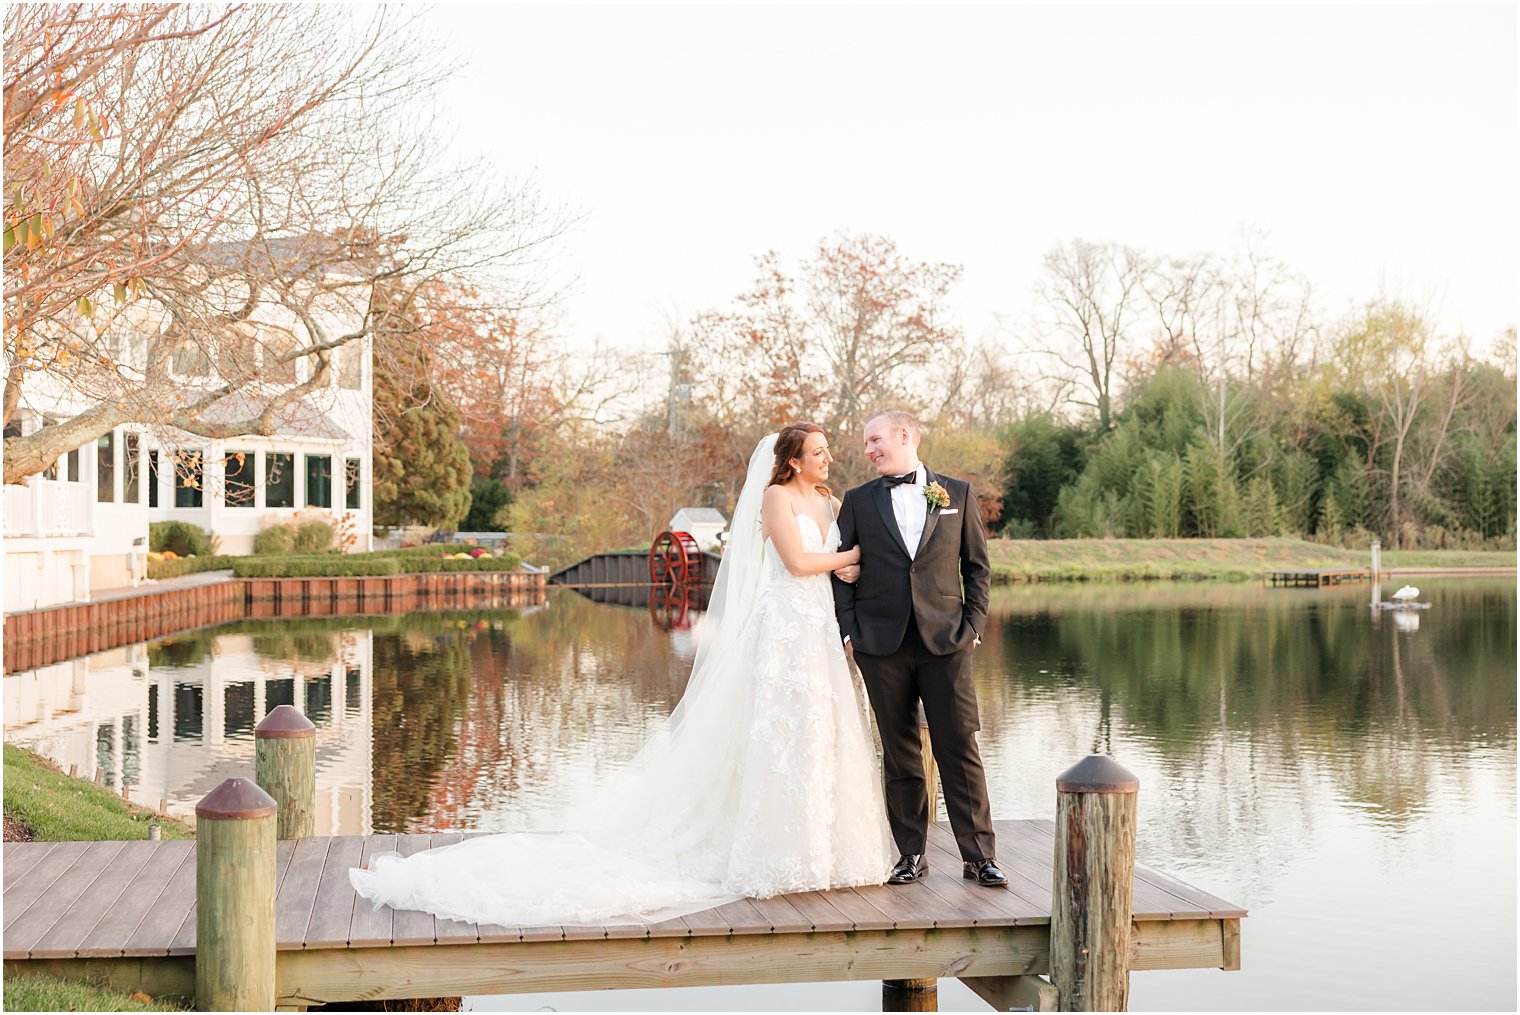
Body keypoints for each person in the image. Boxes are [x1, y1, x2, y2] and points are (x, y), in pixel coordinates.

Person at [350, 425, 892, 927]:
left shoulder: (831, 501)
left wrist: (853, 564)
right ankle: (772, 851)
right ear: (793, 461)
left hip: (820, 625)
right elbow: (798, 563)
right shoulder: (777, 497)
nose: (828, 459)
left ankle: (824, 851)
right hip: (783, 626)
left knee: (821, 733)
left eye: (826, 452)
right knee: (776, 734)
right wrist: (849, 555)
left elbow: (842, 564)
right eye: (818, 452)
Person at [831, 408, 1007, 888]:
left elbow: (977, 568)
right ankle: (911, 853)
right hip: (880, 644)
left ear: (904, 435)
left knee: (959, 746)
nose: (868, 450)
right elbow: (840, 571)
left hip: (946, 642)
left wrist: (972, 624)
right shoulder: (858, 501)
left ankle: (979, 857)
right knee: (900, 750)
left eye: (874, 440)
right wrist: (849, 630)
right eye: (867, 444)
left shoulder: (959, 494)